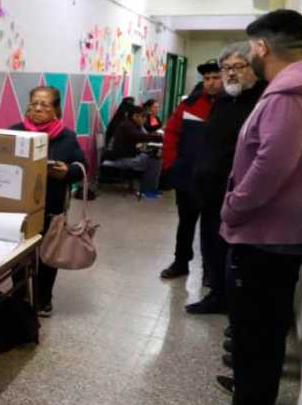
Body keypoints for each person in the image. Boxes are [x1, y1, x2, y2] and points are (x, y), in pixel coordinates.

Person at [195, 9, 302, 405]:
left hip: (267, 232)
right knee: (265, 321)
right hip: (284, 228)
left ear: (261, 47)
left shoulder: (288, 96)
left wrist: (233, 207)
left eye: (250, 50)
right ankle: (253, 389)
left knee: (255, 324)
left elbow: (271, 165)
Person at [185, 43, 267, 315]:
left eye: (238, 67)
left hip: (237, 196)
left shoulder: (262, 101)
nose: (230, 74)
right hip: (208, 194)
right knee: (211, 248)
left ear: (253, 68)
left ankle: (236, 308)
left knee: (237, 256)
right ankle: (217, 296)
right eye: (226, 68)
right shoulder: (222, 101)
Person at [9, 85, 86, 316]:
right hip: (18, 206)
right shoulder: (15, 132)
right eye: (34, 103)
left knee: (49, 254)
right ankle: (20, 297)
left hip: (52, 205)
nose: (38, 108)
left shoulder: (67, 137)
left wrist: (67, 172)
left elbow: (81, 167)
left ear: (56, 110)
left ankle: (44, 298)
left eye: (44, 104)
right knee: (17, 254)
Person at [160, 61, 224, 280]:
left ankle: (209, 270)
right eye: (207, 79)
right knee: (186, 222)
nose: (211, 83)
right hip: (187, 175)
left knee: (212, 226)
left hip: (216, 179)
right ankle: (181, 262)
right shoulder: (189, 104)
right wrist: (171, 164)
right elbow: (171, 133)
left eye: (216, 78)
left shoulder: (233, 105)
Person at [108, 104, 163, 195]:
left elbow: (142, 136)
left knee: (152, 158)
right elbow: (140, 136)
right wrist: (159, 138)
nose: (145, 120)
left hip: (128, 156)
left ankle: (148, 188)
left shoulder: (131, 125)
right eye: (143, 117)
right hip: (122, 159)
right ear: (135, 116)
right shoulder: (127, 126)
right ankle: (148, 190)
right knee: (153, 160)